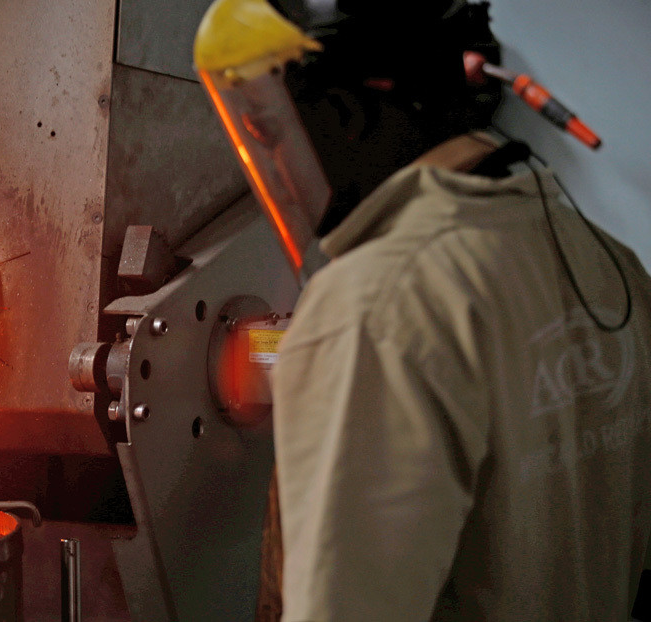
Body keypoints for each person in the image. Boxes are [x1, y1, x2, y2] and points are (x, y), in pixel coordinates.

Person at [196, 1, 651, 619]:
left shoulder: (376, 306)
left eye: (274, 131)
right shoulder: (608, 264)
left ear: (344, 113)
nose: (278, 162)